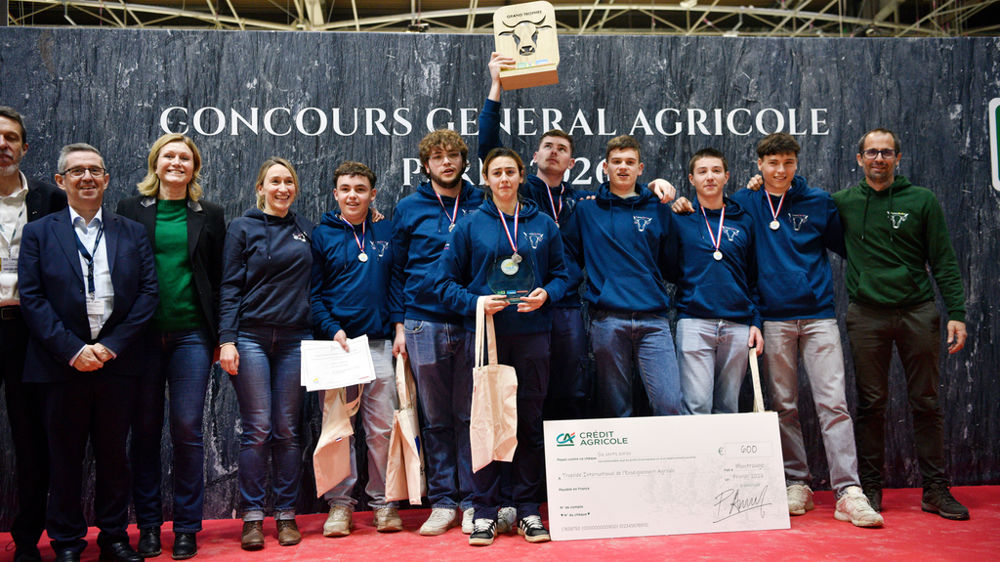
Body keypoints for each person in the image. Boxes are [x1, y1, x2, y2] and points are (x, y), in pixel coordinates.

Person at [676, 132, 882, 527]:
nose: (780, 170)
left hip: (818, 316)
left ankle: (848, 491)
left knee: (833, 404)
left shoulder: (818, 202)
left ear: (796, 164)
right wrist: (681, 203)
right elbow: (722, 234)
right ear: (759, 165)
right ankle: (797, 482)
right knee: (783, 406)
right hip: (773, 319)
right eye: (772, 163)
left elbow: (849, 249)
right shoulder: (745, 203)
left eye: (788, 162)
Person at [477, 53, 678, 422]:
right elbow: (490, 148)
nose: (554, 152)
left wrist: (654, 188)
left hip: (567, 302)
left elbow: (624, 195)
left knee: (571, 389)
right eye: (548, 146)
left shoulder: (584, 202)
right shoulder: (523, 191)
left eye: (562, 149)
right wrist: (496, 86)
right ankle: (530, 460)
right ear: (534, 156)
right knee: (525, 391)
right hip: (523, 300)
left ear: (573, 163)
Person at [18, 143, 158, 562]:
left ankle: (113, 537)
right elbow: (32, 298)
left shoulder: (131, 231)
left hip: (117, 363)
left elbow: (148, 294)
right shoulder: (39, 232)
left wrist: (111, 346)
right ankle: (66, 542)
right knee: (64, 458)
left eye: (95, 170)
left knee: (115, 456)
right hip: (61, 365)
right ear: (60, 181)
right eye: (77, 171)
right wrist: (73, 349)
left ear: (107, 179)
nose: (87, 178)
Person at [435, 147, 568, 546]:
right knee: (486, 423)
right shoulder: (470, 226)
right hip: (487, 338)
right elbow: (443, 284)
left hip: (533, 335)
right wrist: (475, 302)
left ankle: (527, 509)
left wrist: (547, 293)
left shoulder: (543, 224)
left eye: (511, 171)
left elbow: (564, 274)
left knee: (528, 422)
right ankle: (485, 511)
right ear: (486, 179)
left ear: (522, 175)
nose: (505, 179)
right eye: (497, 173)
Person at [833, 128, 969, 520]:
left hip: (917, 312)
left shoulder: (922, 200)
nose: (879, 158)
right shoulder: (841, 203)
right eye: (871, 152)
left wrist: (957, 312)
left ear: (898, 158)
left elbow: (943, 259)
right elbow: (797, 204)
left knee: (926, 402)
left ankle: (936, 490)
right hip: (866, 315)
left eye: (886, 152)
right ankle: (870, 489)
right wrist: (757, 183)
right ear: (859, 159)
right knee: (870, 404)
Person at [116, 133, 225, 560]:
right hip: (140, 336)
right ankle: (147, 526)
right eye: (169, 156)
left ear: (194, 167)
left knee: (187, 428)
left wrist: (222, 336)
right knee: (144, 431)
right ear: (155, 163)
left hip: (192, 335)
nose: (177, 162)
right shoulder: (129, 209)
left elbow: (218, 279)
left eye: (185, 157)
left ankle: (186, 528)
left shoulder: (210, 214)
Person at [389, 129, 483, 536]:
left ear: (464, 161)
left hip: (471, 320)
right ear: (426, 165)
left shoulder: (482, 202)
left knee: (470, 415)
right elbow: (395, 271)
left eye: (454, 155)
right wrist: (398, 325)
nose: (447, 162)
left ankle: (474, 501)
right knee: (436, 418)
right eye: (438, 157)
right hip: (422, 322)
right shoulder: (408, 207)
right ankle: (444, 502)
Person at [219, 157, 314, 550]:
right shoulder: (242, 228)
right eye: (274, 181)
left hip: (296, 339)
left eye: (288, 181)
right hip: (250, 338)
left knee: (288, 430)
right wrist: (226, 339)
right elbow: (229, 286)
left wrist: (372, 219)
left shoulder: (306, 229)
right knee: (257, 429)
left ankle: (286, 514)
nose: (282, 188)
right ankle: (253, 517)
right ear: (260, 188)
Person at [310, 161, 403, 536]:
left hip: (379, 343)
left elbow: (397, 283)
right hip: (337, 346)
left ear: (373, 194)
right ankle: (340, 506)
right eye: (346, 189)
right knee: (337, 431)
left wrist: (399, 327)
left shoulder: (386, 230)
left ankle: (384, 503)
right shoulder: (321, 235)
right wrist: (332, 329)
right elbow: (313, 294)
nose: (353, 195)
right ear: (335, 194)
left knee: (382, 430)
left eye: (360, 189)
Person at [561, 135, 682, 418]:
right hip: (607, 320)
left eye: (630, 162)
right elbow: (567, 258)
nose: (623, 167)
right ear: (605, 167)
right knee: (616, 410)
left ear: (640, 168)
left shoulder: (657, 208)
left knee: (669, 404)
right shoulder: (586, 209)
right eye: (616, 162)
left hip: (653, 319)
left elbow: (672, 264)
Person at [0, 106, 66, 562]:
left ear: (24, 147)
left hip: (30, 331)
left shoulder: (49, 198)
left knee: (31, 440)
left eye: (10, 137)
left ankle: (26, 541)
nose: (1, 144)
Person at [673, 148, 762, 415]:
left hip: (737, 324)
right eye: (702, 172)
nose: (709, 177)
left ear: (726, 176)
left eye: (716, 171)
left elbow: (753, 277)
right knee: (696, 406)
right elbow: (667, 266)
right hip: (694, 321)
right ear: (691, 179)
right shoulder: (680, 218)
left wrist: (756, 322)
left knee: (728, 408)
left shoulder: (744, 221)